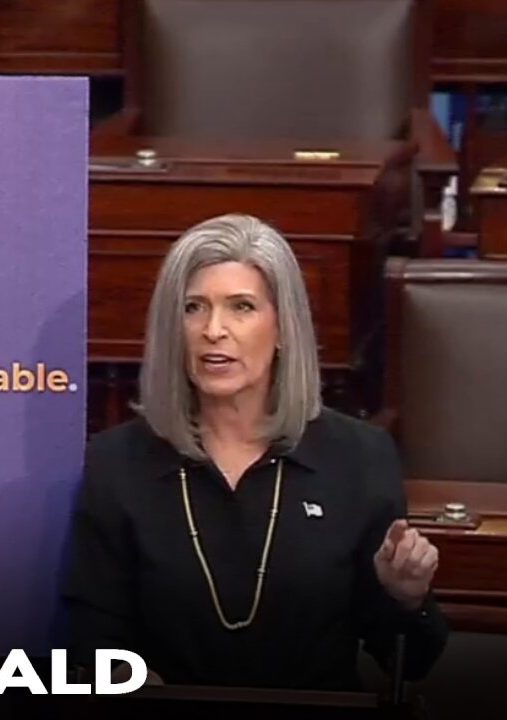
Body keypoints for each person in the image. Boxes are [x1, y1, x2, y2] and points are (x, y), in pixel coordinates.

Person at [62, 213, 447, 691]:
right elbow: (91, 633)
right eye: (193, 308)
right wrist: (129, 682)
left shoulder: (358, 458)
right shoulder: (116, 462)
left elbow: (407, 664)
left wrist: (406, 600)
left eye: (241, 307)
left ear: (283, 327)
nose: (213, 330)